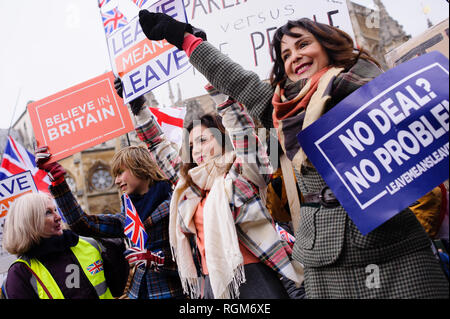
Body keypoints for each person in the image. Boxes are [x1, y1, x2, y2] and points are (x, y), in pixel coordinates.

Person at [137, 11, 449, 298]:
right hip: (323, 259)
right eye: (285, 54)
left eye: (303, 45)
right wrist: (188, 40)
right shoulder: (284, 112)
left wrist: (411, 227)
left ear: (328, 46)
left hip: (392, 252)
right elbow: (241, 83)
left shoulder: (371, 90)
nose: (294, 56)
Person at [118, 77, 302, 299]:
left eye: (204, 140)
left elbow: (242, 130)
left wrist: (216, 82)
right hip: (211, 284)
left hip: (252, 277)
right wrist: (138, 109)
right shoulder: (191, 185)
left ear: (223, 138)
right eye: (191, 145)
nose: (197, 150)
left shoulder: (243, 173)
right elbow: (158, 144)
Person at [35, 144, 185, 299]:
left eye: (120, 173)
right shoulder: (128, 216)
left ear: (141, 167)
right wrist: (58, 180)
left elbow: (195, 260)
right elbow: (81, 223)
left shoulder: (175, 205)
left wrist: (156, 259)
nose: (116, 181)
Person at [1, 192, 127, 299]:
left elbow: (119, 288)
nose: (58, 217)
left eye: (55, 210)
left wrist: (118, 252)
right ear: (30, 222)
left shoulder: (89, 244)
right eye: (48, 213)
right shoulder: (21, 273)